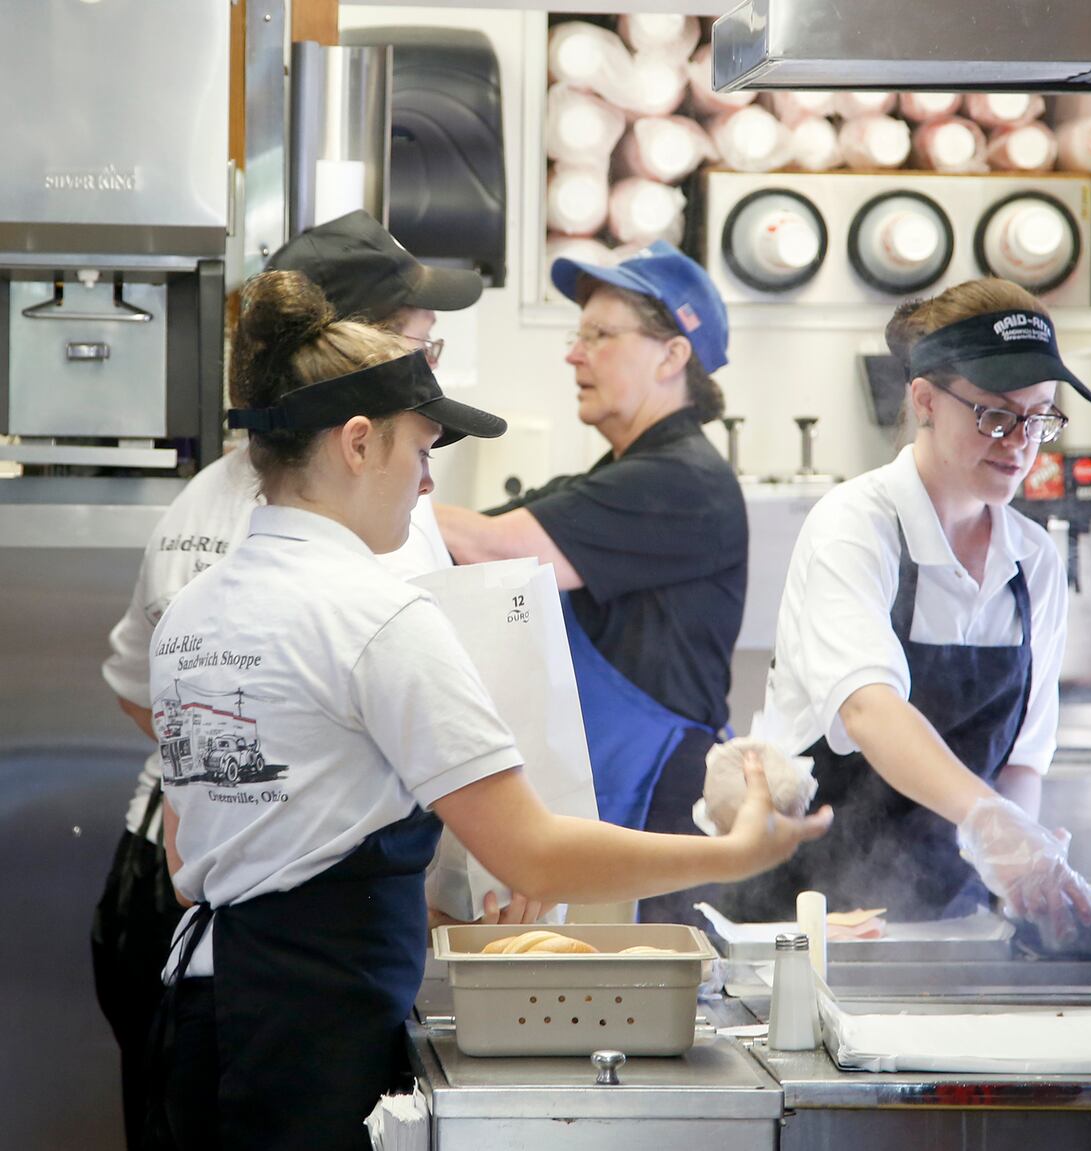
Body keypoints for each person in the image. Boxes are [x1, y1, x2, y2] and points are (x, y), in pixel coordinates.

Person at [144, 270, 829, 1151]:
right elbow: (529, 848)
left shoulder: (197, 610)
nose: (429, 484)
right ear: (358, 443)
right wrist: (735, 850)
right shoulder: (378, 614)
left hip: (200, 1018)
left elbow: (198, 847)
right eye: (424, 449)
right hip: (313, 1040)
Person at [92, 210, 512, 1151]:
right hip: (292, 932)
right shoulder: (369, 527)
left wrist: (224, 779)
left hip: (177, 890)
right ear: (346, 355)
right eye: (416, 335)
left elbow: (137, 684)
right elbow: (426, 748)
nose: (429, 357)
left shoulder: (205, 497)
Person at [717, 279, 1091, 947]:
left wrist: (1017, 867)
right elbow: (870, 709)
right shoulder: (857, 525)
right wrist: (992, 821)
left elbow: (1021, 762)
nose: (1020, 442)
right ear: (925, 399)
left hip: (954, 925)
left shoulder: (1032, 561)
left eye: (1040, 417)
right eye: (995, 415)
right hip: (808, 920)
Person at [434, 242, 746, 921]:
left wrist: (365, 493)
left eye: (599, 335)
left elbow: (492, 550)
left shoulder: (680, 480)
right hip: (613, 804)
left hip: (658, 810)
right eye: (579, 336)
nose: (575, 355)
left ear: (672, 356)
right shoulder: (614, 477)